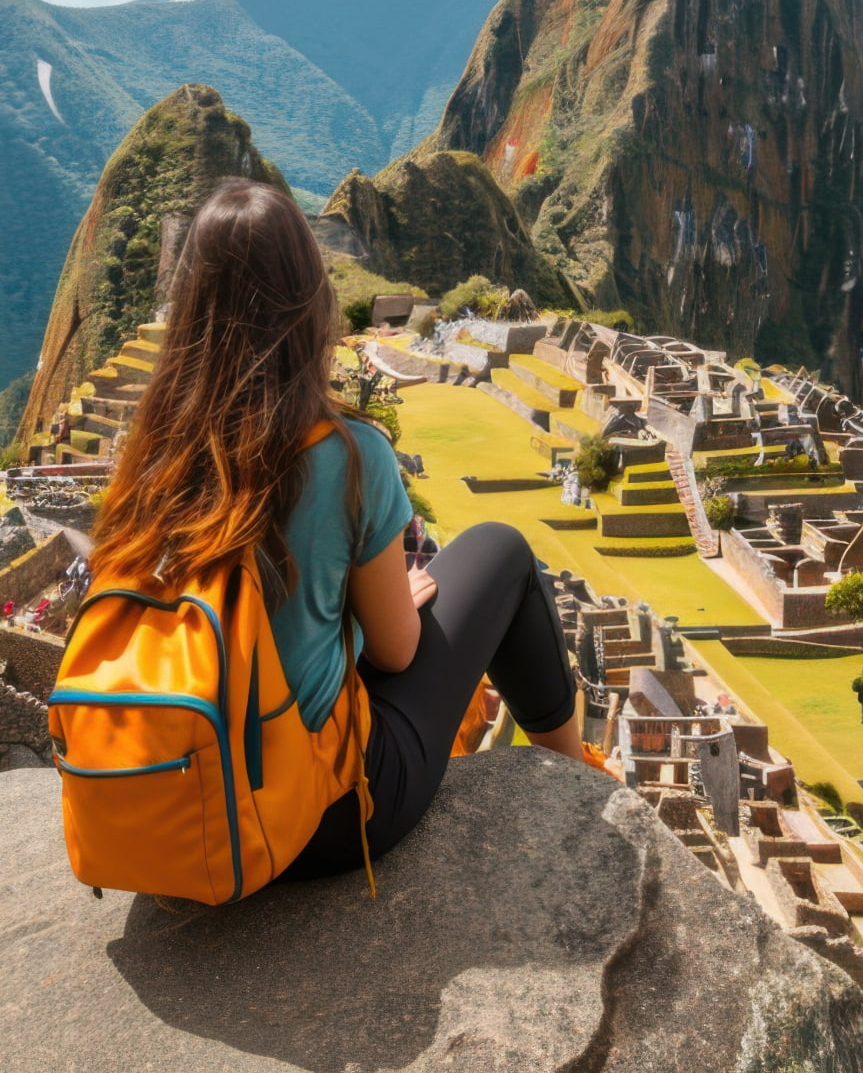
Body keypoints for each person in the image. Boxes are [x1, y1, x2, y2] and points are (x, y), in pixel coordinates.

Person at [90, 179, 582, 885]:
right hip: (320, 818)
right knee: (502, 551)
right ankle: (579, 779)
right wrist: (371, 615)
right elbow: (396, 647)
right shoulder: (346, 453)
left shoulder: (150, 452)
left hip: (181, 801)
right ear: (308, 301)